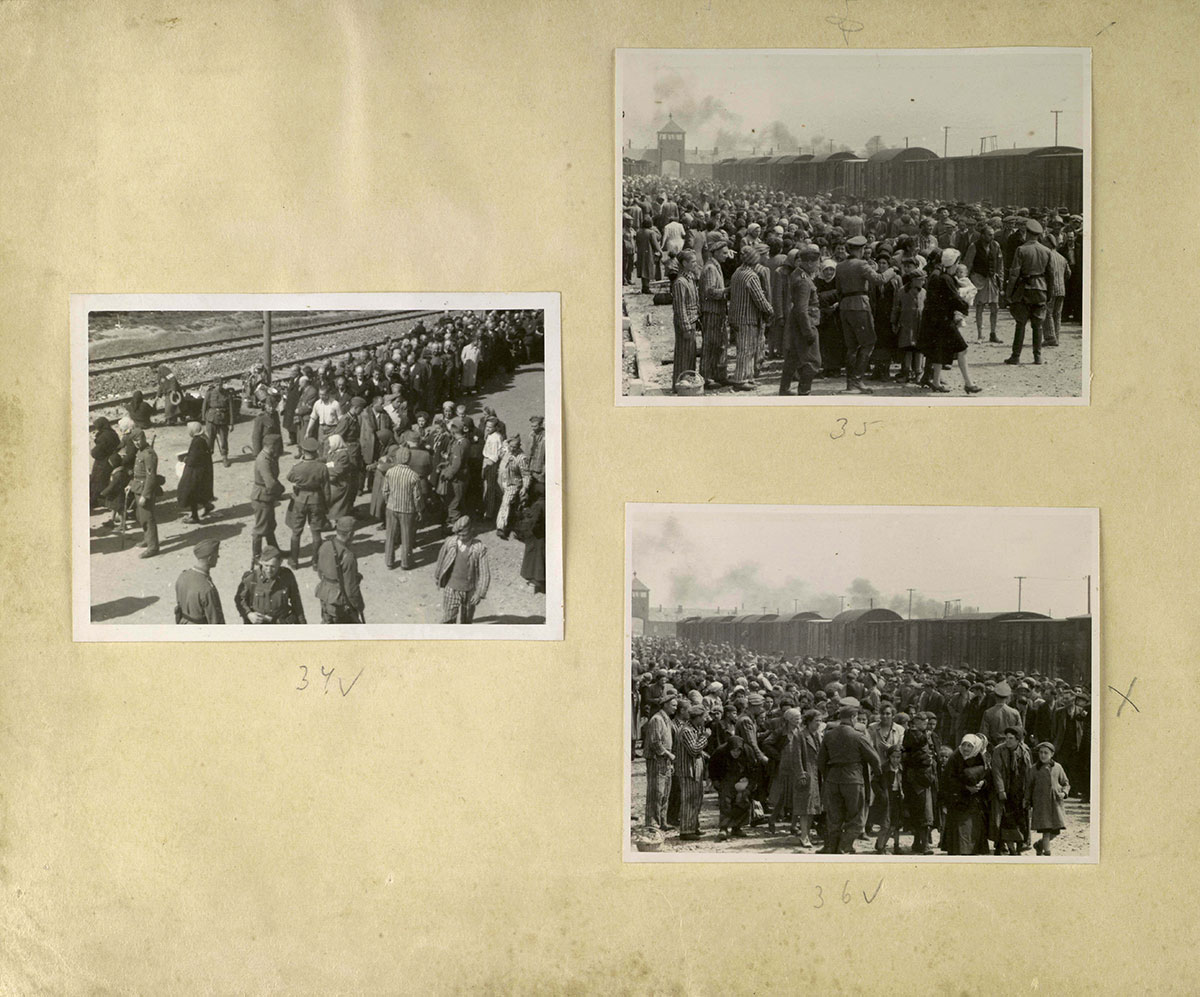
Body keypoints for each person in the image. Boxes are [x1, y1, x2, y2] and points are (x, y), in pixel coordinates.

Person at [817, 698, 882, 853]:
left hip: (833, 778)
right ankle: (844, 846)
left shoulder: (829, 735)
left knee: (834, 817)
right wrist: (878, 776)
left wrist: (828, 775)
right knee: (857, 817)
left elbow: (820, 761)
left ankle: (832, 846)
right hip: (853, 779)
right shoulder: (859, 736)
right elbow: (875, 759)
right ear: (853, 718)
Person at [835, 235, 892, 394]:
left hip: (845, 306)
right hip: (860, 305)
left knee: (851, 346)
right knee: (868, 342)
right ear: (860, 249)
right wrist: (892, 271)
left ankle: (850, 383)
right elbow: (879, 279)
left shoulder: (840, 266)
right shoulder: (862, 264)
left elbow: (838, 290)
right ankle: (857, 381)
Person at [920, 249, 981, 394]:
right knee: (962, 349)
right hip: (945, 321)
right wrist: (965, 304)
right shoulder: (947, 279)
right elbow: (955, 299)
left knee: (939, 350)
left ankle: (936, 382)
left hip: (938, 320)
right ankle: (968, 383)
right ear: (954, 263)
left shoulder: (942, 276)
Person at [1005, 218, 1052, 365]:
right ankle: (1037, 356)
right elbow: (1050, 275)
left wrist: (1008, 293)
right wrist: (1049, 294)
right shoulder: (1046, 251)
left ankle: (1016, 356)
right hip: (1041, 289)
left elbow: (1014, 274)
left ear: (1027, 233)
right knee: (1037, 325)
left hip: (1024, 290)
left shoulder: (1021, 250)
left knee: (1021, 323)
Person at [727, 244, 773, 391]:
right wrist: (769, 310)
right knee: (747, 350)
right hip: (747, 317)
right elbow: (759, 298)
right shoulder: (751, 276)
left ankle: (747, 376)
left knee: (744, 348)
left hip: (736, 315)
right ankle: (741, 379)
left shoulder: (737, 272)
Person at [779, 246, 821, 396]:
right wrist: (808, 332)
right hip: (805, 323)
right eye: (817, 262)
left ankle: (784, 390)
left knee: (793, 358)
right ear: (809, 263)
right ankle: (804, 393)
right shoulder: (804, 281)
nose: (818, 265)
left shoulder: (798, 274)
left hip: (797, 324)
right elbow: (802, 309)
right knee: (813, 362)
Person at [435, 515, 491, 624]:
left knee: (467, 619)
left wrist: (479, 593)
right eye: (458, 534)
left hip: (470, 590)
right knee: (448, 617)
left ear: (471, 531)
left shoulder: (479, 548)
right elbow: (441, 560)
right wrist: (438, 576)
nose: (460, 538)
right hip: (451, 588)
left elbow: (485, 573)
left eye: (464, 535)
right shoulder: (450, 543)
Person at [285, 437, 330, 569]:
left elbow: (289, 478)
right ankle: (315, 562)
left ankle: (294, 561)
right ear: (316, 451)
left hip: (300, 499)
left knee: (296, 531)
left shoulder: (298, 467)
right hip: (316, 500)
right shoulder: (322, 467)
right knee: (316, 532)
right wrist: (327, 505)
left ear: (303, 451)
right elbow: (327, 489)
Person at [942, 734, 990, 855]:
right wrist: (966, 788)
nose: (966, 748)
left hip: (975, 800)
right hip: (958, 798)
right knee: (961, 827)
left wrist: (982, 784)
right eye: (964, 745)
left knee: (974, 827)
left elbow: (988, 775)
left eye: (970, 746)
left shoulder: (980, 757)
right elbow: (948, 779)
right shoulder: (955, 758)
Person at [234, 545, 306, 624]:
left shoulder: (287, 576)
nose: (269, 570)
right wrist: (249, 614)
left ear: (280, 562)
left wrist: (302, 625)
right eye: (266, 565)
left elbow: (296, 601)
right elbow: (240, 599)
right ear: (261, 562)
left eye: (273, 566)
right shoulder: (251, 578)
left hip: (281, 623)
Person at [991, 726, 1033, 855]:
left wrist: (1027, 793)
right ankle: (1003, 845)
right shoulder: (999, 750)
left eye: (1011, 738)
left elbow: (1029, 772)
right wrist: (1001, 790)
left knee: (1020, 817)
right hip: (1005, 789)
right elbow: (996, 771)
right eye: (1006, 738)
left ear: (1018, 740)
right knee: (1003, 818)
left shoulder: (1025, 751)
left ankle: (1020, 844)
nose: (1007, 741)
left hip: (1019, 789)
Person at [314, 516, 364, 623]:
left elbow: (320, 572)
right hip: (340, 603)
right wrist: (358, 606)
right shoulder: (348, 556)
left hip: (324, 596)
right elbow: (350, 589)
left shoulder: (325, 545)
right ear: (350, 534)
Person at [698, 236, 732, 388]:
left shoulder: (716, 266)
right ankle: (706, 377)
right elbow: (709, 291)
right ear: (716, 253)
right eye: (724, 253)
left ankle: (719, 374)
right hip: (711, 312)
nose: (727, 255)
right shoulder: (710, 268)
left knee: (720, 344)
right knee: (710, 345)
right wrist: (727, 291)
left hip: (718, 312)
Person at [962, 224, 1005, 343]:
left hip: (992, 279)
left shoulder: (996, 245)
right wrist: (966, 282)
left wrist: (1000, 280)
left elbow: (1000, 264)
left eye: (992, 235)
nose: (991, 237)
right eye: (989, 235)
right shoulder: (974, 246)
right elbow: (968, 264)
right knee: (979, 307)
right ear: (982, 235)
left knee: (994, 307)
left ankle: (993, 333)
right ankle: (980, 335)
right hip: (979, 279)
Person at [381, 448, 422, 570]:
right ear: (409, 459)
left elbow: (385, 491)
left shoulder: (390, 472)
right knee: (406, 536)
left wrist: (389, 501)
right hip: (407, 510)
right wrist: (419, 510)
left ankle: (389, 561)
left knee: (390, 535)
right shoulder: (414, 476)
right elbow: (417, 497)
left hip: (391, 507)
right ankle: (406, 563)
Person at [1027, 741, 1070, 855]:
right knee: (1046, 831)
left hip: (1055, 803)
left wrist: (1064, 793)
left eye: (1046, 753)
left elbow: (1066, 783)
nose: (1043, 755)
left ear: (1052, 754)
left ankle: (1039, 845)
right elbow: (1028, 787)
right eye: (1041, 752)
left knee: (1055, 832)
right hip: (1042, 804)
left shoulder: (1058, 767)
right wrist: (1027, 801)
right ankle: (1047, 853)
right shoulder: (1034, 769)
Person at [643, 688, 677, 830]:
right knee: (656, 792)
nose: (675, 707)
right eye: (673, 705)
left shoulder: (667, 719)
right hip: (657, 759)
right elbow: (655, 742)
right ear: (665, 704)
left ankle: (662, 821)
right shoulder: (657, 719)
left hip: (666, 760)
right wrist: (668, 755)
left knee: (665, 792)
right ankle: (653, 822)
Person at [250, 433, 285, 565]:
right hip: (262, 497)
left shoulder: (269, 457)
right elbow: (270, 482)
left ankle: (275, 551)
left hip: (267, 496)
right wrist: (281, 489)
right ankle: (256, 557)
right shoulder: (263, 460)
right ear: (273, 446)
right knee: (260, 529)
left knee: (269, 525)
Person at [676, 703, 709, 840]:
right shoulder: (687, 730)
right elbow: (694, 750)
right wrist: (705, 737)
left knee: (697, 799)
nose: (705, 720)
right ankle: (686, 830)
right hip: (688, 770)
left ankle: (694, 826)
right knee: (689, 800)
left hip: (695, 770)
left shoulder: (694, 729)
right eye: (704, 717)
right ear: (697, 717)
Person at [174, 538, 225, 624]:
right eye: (216, 555)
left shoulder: (182, 576)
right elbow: (215, 621)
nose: (218, 557)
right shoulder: (207, 588)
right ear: (210, 558)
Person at [670, 249, 701, 390]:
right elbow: (680, 307)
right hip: (686, 323)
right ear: (684, 263)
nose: (696, 264)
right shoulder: (680, 283)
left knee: (690, 354)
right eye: (693, 261)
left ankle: (687, 383)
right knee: (683, 354)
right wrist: (686, 327)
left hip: (692, 321)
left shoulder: (690, 278)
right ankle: (680, 384)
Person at [128, 429, 161, 558]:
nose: (136, 443)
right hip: (138, 488)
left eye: (138, 440)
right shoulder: (140, 452)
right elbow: (138, 473)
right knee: (141, 516)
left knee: (148, 518)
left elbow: (151, 477)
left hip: (145, 490)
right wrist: (130, 485)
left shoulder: (148, 454)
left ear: (143, 438)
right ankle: (147, 539)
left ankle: (153, 547)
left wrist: (145, 495)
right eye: (134, 441)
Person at [177, 421, 215, 524]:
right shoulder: (204, 438)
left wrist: (184, 459)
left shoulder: (197, 441)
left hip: (195, 471)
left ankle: (195, 516)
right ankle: (206, 505)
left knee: (190, 491)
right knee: (198, 490)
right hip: (203, 470)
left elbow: (193, 458)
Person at [495, 435, 529, 539]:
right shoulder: (506, 451)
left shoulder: (522, 458)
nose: (512, 449)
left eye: (515, 447)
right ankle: (512, 523)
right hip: (502, 482)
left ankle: (501, 527)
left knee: (505, 503)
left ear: (519, 446)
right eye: (510, 446)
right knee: (509, 504)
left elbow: (526, 475)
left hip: (513, 484)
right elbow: (500, 452)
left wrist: (525, 487)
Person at [519, 479, 546, 594]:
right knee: (541, 557)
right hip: (543, 535)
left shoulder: (538, 505)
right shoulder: (546, 502)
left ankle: (535, 581)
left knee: (535, 558)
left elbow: (533, 522)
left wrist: (523, 521)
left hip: (536, 536)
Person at [89, 417, 122, 510]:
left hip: (102, 462)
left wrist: (93, 451)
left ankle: (93, 501)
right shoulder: (113, 433)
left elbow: (96, 453)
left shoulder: (103, 437)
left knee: (96, 481)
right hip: (112, 460)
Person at [201, 377, 235, 467]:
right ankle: (208, 458)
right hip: (211, 419)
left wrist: (231, 423)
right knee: (210, 440)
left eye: (220, 384)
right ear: (214, 384)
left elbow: (231, 409)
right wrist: (204, 419)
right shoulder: (209, 393)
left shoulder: (227, 394)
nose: (219, 386)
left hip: (223, 420)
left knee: (224, 440)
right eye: (217, 385)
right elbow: (204, 406)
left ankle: (224, 457)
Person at [1044, 241, 1071, 347]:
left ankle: (1050, 338)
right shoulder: (1062, 258)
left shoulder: (1047, 256)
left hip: (1051, 288)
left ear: (1049, 244)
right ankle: (1057, 337)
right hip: (1061, 289)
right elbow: (1068, 273)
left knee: (1048, 313)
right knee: (1058, 314)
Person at [980, 681, 1021, 745]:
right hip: (1011, 745)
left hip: (993, 745)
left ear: (995, 696)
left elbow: (984, 734)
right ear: (1007, 697)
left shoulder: (988, 712)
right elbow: (1019, 732)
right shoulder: (1015, 712)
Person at [249, 391, 282, 458]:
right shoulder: (261, 418)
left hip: (274, 450)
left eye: (274, 406)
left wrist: (280, 449)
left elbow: (278, 433)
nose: (271, 408)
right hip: (264, 451)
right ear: (265, 406)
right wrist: (257, 453)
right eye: (269, 406)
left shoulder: (275, 415)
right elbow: (256, 437)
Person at [635, 217, 661, 294]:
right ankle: (647, 287)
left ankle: (644, 286)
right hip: (648, 252)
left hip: (640, 252)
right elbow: (655, 243)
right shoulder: (651, 232)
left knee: (642, 269)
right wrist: (659, 251)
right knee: (647, 269)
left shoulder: (638, 232)